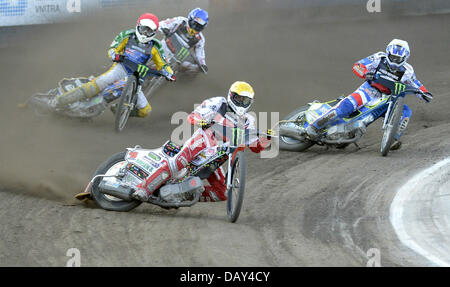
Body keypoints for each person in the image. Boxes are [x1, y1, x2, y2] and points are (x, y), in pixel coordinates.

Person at [132, 81, 273, 202]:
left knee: (222, 193)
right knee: (178, 162)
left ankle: (182, 195)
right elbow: (192, 116)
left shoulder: (248, 120)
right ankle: (143, 188)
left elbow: (255, 147)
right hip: (203, 141)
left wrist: (267, 137)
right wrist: (202, 122)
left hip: (218, 155)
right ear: (231, 95)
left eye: (245, 101)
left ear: (250, 102)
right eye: (239, 99)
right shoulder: (218, 103)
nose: (242, 103)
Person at [306, 39, 433, 150]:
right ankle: (315, 126)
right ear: (388, 53)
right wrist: (365, 73)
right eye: (393, 57)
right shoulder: (379, 58)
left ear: (405, 58)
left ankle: (393, 139)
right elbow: (358, 65)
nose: (394, 61)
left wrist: (425, 93)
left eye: (398, 59)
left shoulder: (408, 71)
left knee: (406, 111)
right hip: (368, 90)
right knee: (347, 106)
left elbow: (416, 83)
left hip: (388, 99)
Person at [55, 13, 176, 117]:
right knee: (99, 83)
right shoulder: (127, 35)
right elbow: (113, 47)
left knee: (146, 111)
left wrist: (169, 73)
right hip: (121, 67)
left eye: (149, 31)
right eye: (143, 29)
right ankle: (61, 100)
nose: (144, 33)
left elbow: (163, 63)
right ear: (138, 26)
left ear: (154, 32)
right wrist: (114, 55)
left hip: (136, 77)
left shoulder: (155, 46)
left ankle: (120, 110)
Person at [158, 7, 209, 73]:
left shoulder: (200, 39)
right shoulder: (180, 21)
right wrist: (164, 29)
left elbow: (200, 53)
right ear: (190, 19)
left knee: (195, 68)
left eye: (199, 26)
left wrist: (203, 64)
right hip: (164, 47)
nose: (195, 28)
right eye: (194, 24)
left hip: (179, 58)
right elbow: (162, 24)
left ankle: (182, 79)